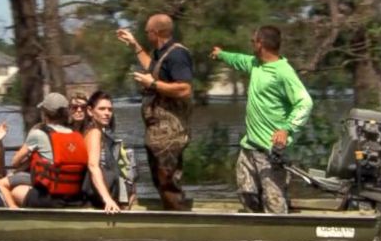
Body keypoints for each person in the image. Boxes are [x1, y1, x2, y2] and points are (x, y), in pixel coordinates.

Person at [211, 25, 313, 214]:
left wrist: (286, 129)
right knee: (246, 194)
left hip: (270, 150)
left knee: (274, 203)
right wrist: (222, 54)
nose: (251, 44)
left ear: (260, 44)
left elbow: (305, 102)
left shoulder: (283, 72)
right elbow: (239, 60)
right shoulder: (256, 64)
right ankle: (256, 236)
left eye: (253, 41)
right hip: (249, 147)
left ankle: (280, 237)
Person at [116, 13, 194, 211]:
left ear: (156, 32)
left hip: (170, 133)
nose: (146, 34)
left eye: (147, 32)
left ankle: (179, 221)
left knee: (168, 181)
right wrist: (135, 45)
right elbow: (152, 66)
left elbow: (185, 89)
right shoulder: (162, 53)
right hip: (157, 132)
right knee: (160, 180)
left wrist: (153, 84)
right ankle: (171, 214)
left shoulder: (177, 55)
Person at [4, 92, 88, 209]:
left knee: (14, 190)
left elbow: (14, 162)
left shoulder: (38, 134)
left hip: (51, 198)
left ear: (44, 113)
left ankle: (18, 215)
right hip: (75, 196)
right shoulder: (76, 136)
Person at [82, 90, 124, 214]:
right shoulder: (94, 133)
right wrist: (108, 199)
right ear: (90, 111)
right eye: (102, 109)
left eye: (110, 109)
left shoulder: (101, 133)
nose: (107, 113)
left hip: (103, 199)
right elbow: (93, 166)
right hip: (97, 202)